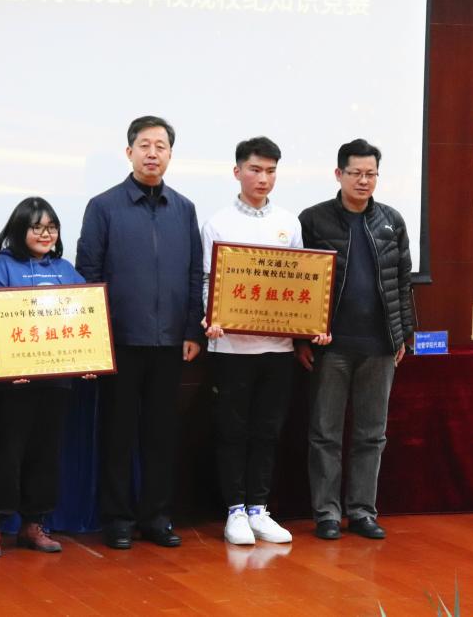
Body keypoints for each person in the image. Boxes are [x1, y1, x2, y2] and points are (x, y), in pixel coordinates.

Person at [76, 115, 204, 550]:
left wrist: (192, 329)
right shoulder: (103, 206)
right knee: (117, 434)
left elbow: (194, 274)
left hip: (170, 343)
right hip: (119, 342)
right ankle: (116, 518)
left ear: (170, 155)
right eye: (145, 145)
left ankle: (156, 516)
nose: (153, 153)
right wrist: (96, 338)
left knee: (161, 434)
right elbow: (88, 274)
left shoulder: (184, 209)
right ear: (129, 152)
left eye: (160, 146)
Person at [201, 136, 330, 545]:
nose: (263, 178)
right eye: (255, 170)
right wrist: (211, 316)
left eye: (271, 171)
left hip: (277, 349)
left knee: (268, 431)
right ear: (237, 172)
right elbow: (207, 280)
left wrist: (311, 325)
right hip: (231, 348)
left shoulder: (289, 223)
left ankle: (259, 509)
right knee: (232, 431)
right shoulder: (218, 222)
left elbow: (302, 282)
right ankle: (235, 511)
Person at [295, 139, 413, 541]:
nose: (364, 181)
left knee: (371, 435)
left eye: (371, 174)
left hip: (379, 347)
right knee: (324, 434)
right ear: (339, 174)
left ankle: (362, 511)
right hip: (331, 348)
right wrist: (300, 339)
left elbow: (402, 282)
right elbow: (300, 282)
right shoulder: (313, 220)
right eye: (356, 173)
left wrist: (403, 334)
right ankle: (326, 513)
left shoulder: (392, 221)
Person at [0, 197, 95, 557]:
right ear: (19, 229)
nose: (46, 234)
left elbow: (85, 317)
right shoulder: (1, 267)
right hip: (13, 383)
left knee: (46, 452)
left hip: (55, 381)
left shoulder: (65, 269)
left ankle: (34, 523)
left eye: (51, 227)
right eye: (37, 227)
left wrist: (89, 357)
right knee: (7, 453)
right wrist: (10, 365)